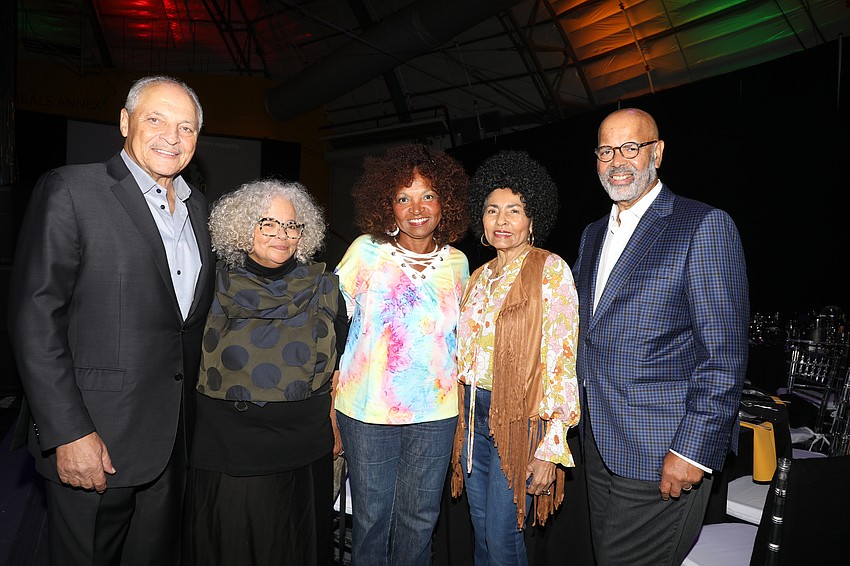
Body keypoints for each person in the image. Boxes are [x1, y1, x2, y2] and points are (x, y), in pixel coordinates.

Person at [7, 75, 214, 565]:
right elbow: (35, 319)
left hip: (171, 442)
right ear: (125, 122)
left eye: (186, 128)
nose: (172, 136)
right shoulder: (73, 190)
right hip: (96, 438)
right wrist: (68, 432)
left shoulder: (200, 211)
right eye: (156, 119)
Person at [573, 108, 749, 565]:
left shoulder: (702, 225)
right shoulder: (592, 236)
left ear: (658, 152)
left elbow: (724, 355)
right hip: (600, 446)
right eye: (606, 151)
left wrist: (693, 449)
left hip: (662, 450)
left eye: (631, 148)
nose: (618, 162)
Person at [185, 179, 348, 565]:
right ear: (243, 227)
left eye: (292, 226)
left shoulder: (324, 286)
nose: (282, 235)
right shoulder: (209, 283)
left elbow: (339, 366)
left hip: (304, 449)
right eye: (268, 224)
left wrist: (335, 424)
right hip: (231, 450)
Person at [334, 144, 470, 565]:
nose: (416, 208)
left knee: (420, 520)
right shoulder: (365, 251)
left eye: (428, 195)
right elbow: (332, 323)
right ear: (387, 206)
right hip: (368, 412)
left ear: (444, 203)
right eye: (403, 197)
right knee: (373, 519)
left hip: (435, 414)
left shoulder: (459, 263)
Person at [449, 150, 580, 565]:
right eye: (492, 210)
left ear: (532, 218)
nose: (501, 220)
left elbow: (562, 357)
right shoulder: (477, 276)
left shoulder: (550, 270)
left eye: (514, 210)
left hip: (519, 420)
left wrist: (550, 444)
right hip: (471, 417)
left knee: (502, 538)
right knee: (482, 532)